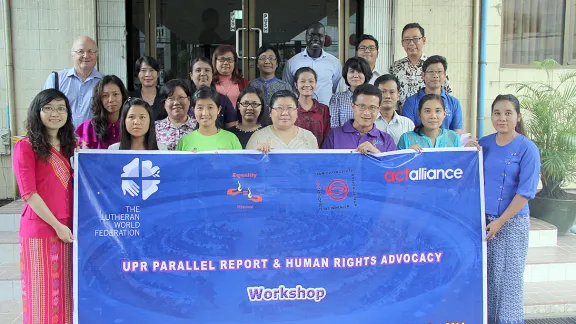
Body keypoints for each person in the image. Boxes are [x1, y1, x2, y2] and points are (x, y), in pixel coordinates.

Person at [12, 89, 77, 323]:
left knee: (66, 296)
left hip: (69, 229)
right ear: (37, 112)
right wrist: (57, 225)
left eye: (61, 108)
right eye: (48, 108)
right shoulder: (26, 147)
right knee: (42, 297)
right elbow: (29, 194)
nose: (55, 113)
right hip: (40, 230)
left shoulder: (72, 147)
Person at [475, 94, 540, 324]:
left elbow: (525, 192)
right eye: (497, 113)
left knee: (509, 283)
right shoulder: (483, 143)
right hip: (483, 221)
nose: (502, 118)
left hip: (512, 223)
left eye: (508, 113)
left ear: (518, 116)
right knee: (487, 281)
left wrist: (500, 222)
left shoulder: (527, 148)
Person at [43, 36, 103, 128]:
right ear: (72, 55)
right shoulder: (56, 79)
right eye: (80, 51)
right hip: (60, 139)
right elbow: (44, 111)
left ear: (96, 55)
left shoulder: (104, 83)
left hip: (92, 140)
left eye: (91, 51)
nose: (86, 55)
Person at [322, 84, 396, 153]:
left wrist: (377, 154)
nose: (366, 113)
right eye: (362, 106)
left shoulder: (387, 140)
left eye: (372, 107)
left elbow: (392, 166)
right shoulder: (334, 135)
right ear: (352, 107)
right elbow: (324, 164)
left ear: (378, 109)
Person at [390, 23, 452, 104]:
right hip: (403, 114)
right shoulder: (395, 67)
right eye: (407, 40)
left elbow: (447, 95)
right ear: (402, 43)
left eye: (415, 39)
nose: (411, 43)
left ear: (424, 40)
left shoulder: (435, 65)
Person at [283, 22, 342, 105]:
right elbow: (287, 90)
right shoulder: (292, 62)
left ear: (324, 38)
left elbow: (337, 89)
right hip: (299, 114)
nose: (315, 38)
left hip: (327, 113)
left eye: (319, 35)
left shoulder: (335, 62)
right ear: (306, 37)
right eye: (311, 35)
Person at [401, 55, 463, 134]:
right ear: (423, 75)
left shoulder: (454, 103)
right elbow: (408, 133)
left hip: (447, 146)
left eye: (439, 72)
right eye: (431, 72)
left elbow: (456, 134)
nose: (435, 76)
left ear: (444, 75)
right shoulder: (411, 102)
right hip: (419, 145)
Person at [246, 90, 318, 152]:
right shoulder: (258, 137)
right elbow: (247, 165)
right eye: (279, 108)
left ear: (297, 112)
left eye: (290, 108)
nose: (285, 113)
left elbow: (316, 165)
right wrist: (255, 153)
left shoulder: (309, 137)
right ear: (270, 112)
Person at [176, 86, 242, 152]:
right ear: (193, 110)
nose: (205, 113)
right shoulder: (184, 142)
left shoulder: (231, 139)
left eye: (210, 107)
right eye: (200, 108)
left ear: (219, 109)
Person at [76, 75, 128, 149]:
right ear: (99, 99)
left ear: (123, 96)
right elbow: (86, 158)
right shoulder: (90, 126)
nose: (111, 100)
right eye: (105, 95)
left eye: (115, 94)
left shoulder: (131, 124)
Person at [189, 57, 238, 129]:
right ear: (191, 75)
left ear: (212, 74)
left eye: (207, 70)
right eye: (198, 70)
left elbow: (232, 127)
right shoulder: (186, 99)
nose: (203, 74)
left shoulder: (223, 100)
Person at [329, 57, 372, 128]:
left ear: (366, 74)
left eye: (359, 71)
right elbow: (334, 126)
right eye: (352, 71)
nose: (355, 75)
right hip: (342, 138)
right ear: (346, 75)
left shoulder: (373, 97)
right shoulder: (337, 98)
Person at [155, 79, 197, 150]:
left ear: (189, 100)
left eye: (181, 97)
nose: (176, 103)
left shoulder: (199, 126)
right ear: (164, 103)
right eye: (171, 98)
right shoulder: (155, 128)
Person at [293, 67, 330, 147]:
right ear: (296, 85)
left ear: (315, 84)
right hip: (295, 155)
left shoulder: (323, 110)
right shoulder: (290, 109)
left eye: (311, 81)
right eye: (302, 81)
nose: (307, 84)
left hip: (319, 155)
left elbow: (327, 136)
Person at [373, 74, 415, 144]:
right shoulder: (369, 121)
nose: (387, 96)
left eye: (392, 92)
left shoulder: (407, 124)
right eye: (383, 92)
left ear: (398, 96)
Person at [250, 45, 293, 110]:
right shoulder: (250, 85)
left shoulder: (285, 86)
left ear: (277, 64)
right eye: (263, 58)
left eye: (271, 58)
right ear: (257, 64)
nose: (267, 62)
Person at [128, 56, 166, 121]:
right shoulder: (131, 98)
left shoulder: (166, 96)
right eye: (143, 71)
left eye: (151, 70)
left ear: (158, 73)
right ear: (138, 74)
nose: (148, 74)